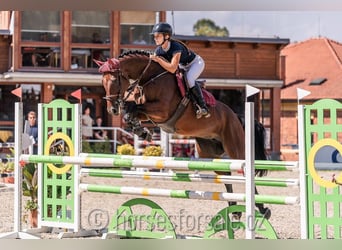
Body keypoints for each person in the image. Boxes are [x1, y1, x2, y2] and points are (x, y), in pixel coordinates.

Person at [149, 22, 210, 119]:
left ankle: (203, 107)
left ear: (167, 36)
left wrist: (158, 59)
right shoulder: (158, 51)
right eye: (154, 36)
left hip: (195, 63)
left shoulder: (175, 47)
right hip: (182, 66)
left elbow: (172, 68)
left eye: (158, 36)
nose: (155, 38)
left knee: (189, 79)